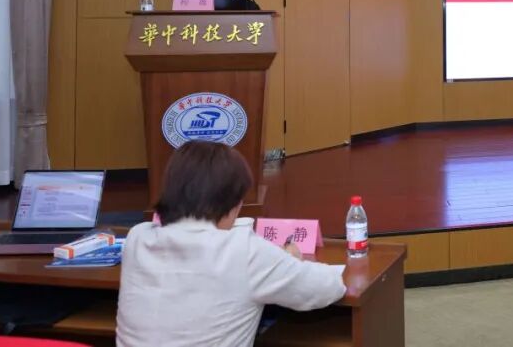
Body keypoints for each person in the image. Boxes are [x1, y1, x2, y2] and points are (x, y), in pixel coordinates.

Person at [116, 141, 346, 347]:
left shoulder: (137, 238)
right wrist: (288, 261)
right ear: (231, 203)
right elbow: (327, 286)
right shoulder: (242, 250)